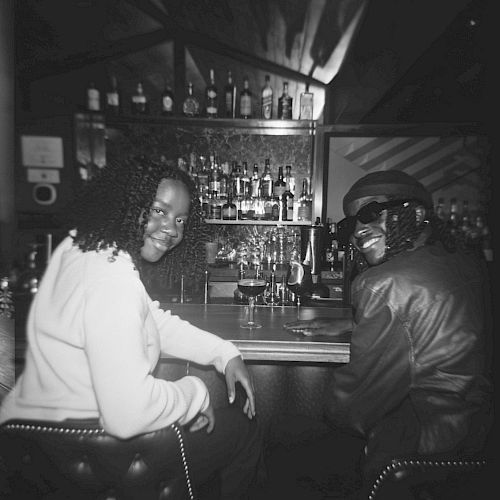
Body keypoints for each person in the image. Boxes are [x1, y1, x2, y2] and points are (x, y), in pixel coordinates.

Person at [0, 157, 262, 499]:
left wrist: (223, 353)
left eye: (181, 219)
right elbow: (128, 414)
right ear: (129, 203)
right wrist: (195, 393)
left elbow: (153, 321)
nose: (172, 229)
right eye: (158, 210)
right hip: (99, 448)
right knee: (245, 429)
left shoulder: (82, 247)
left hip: (42, 447)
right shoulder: (111, 277)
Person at [265, 170, 493, 498]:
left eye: (371, 214)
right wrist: (357, 325)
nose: (358, 231)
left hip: (419, 444)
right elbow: (442, 322)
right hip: (476, 434)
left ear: (415, 214)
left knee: (282, 433)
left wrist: (320, 401)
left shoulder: (383, 282)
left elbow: (354, 410)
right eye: (349, 225)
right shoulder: (469, 261)